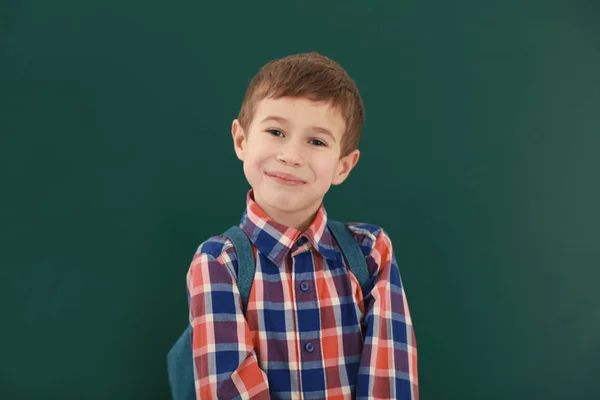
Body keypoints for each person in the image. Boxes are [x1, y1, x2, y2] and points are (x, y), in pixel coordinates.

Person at [184, 51, 418, 399]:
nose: (291, 156)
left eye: (316, 141)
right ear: (241, 140)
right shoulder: (218, 264)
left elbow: (390, 377)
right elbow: (229, 389)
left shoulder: (370, 251)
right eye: (276, 131)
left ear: (344, 166)